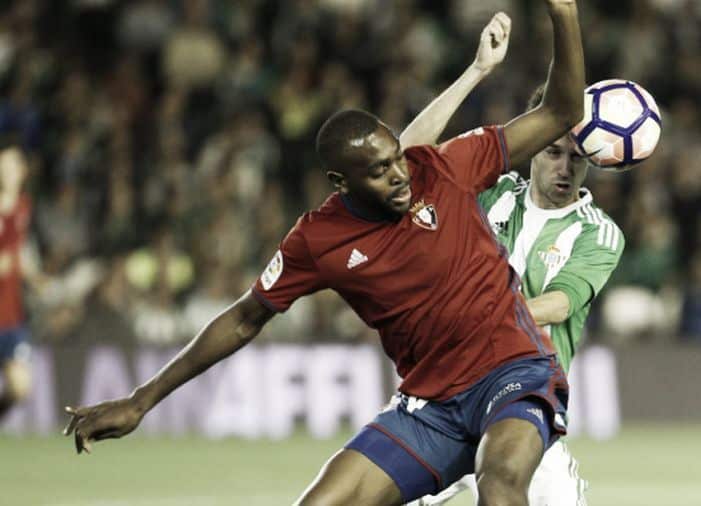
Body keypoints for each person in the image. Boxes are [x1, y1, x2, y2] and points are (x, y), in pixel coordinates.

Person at [64, 2, 584, 505]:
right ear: (341, 183)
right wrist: (140, 400)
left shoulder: (442, 168)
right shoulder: (318, 240)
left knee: (500, 487)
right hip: (431, 404)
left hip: (512, 370)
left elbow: (561, 110)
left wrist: (563, 12)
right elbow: (244, 319)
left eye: (397, 158)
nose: (400, 174)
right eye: (379, 171)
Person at [403, 75, 624, 506]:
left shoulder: (598, 232)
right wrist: (476, 72)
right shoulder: (489, 194)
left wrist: (470, 313)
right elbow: (408, 158)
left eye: (577, 158)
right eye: (552, 151)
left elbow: (559, 304)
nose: (564, 168)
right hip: (447, 404)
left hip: (524, 411)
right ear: (530, 146)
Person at [0, 136, 41, 418]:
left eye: (12, 163)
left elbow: (18, 253)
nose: (6, 168)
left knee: (21, 388)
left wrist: (34, 276)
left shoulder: (24, 206)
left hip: (12, 316)